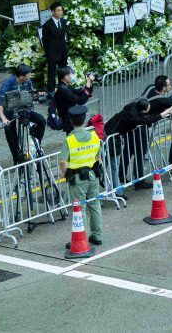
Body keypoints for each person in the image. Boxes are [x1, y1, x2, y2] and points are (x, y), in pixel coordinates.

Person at [104, 96, 172, 193]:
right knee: (112, 163)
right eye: (148, 107)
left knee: (115, 159)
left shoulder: (131, 106)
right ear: (143, 111)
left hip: (109, 128)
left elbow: (151, 114)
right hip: (111, 136)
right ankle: (115, 189)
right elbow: (154, 118)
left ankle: (117, 181)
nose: (150, 107)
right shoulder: (136, 119)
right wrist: (171, 108)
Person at [60, 105, 103, 247]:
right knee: (95, 205)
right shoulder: (93, 135)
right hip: (93, 176)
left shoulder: (69, 140)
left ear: (71, 121)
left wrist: (63, 173)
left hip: (77, 180)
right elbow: (98, 156)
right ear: (84, 120)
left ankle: (81, 237)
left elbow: (62, 161)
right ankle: (97, 235)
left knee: (80, 209)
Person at [0, 64, 47, 165]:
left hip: (23, 109)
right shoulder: (8, 83)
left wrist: (37, 95)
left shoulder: (28, 81)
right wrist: (3, 118)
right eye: (28, 75)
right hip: (9, 112)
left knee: (41, 120)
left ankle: (36, 142)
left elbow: (30, 94)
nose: (30, 77)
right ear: (21, 77)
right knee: (11, 134)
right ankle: (17, 159)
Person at [54, 66, 94, 133]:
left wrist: (89, 83)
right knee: (73, 137)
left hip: (70, 116)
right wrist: (88, 84)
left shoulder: (65, 85)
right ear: (65, 77)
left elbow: (77, 92)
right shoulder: (63, 89)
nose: (71, 76)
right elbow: (80, 101)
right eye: (70, 74)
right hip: (68, 119)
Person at [41, 1, 68, 93]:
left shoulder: (64, 22)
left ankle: (63, 90)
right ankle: (51, 92)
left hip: (63, 52)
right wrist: (48, 54)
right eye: (58, 11)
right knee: (51, 74)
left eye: (61, 10)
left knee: (63, 72)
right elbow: (44, 41)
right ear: (52, 12)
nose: (60, 12)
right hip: (52, 53)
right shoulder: (47, 25)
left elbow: (64, 37)